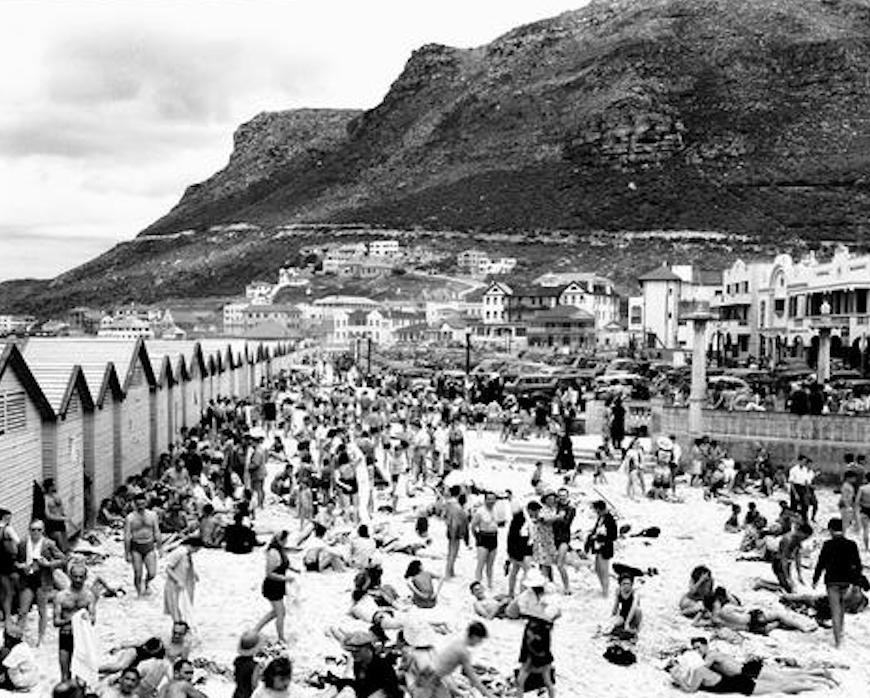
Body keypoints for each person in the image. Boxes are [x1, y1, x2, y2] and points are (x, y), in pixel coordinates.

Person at [669, 637, 838, 694]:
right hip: (747, 671)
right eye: (695, 648)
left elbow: (699, 669)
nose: (697, 650)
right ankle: (819, 675)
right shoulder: (710, 658)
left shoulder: (710, 656)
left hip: (749, 671)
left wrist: (685, 664)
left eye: (699, 647)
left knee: (783, 682)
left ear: (706, 646)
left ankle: (819, 681)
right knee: (786, 678)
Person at [812, 517, 863, 647]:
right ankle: (841, 633)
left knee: (835, 611)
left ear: (830, 530)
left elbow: (821, 563)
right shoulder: (852, 544)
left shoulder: (827, 545)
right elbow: (858, 565)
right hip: (847, 581)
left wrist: (815, 579)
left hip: (832, 581)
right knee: (842, 609)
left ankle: (837, 642)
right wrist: (857, 583)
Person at [16, 518, 65, 645]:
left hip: (43, 580)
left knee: (42, 610)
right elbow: (14, 561)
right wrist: (21, 566)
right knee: (23, 610)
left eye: (39, 530)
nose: (36, 532)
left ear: (43, 531)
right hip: (27, 579)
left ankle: (41, 638)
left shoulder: (49, 544)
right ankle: (18, 637)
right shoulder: (22, 543)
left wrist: (49, 564)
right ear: (29, 530)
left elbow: (63, 559)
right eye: (33, 530)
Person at [53, 562, 97, 681]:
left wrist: (86, 618)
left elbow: (93, 619)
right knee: (65, 675)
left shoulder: (89, 596)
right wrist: (72, 620)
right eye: (75, 576)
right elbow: (56, 622)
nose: (78, 580)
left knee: (82, 675)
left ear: (85, 577)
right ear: (70, 576)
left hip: (82, 638)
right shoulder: (61, 596)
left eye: (81, 577)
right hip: (66, 635)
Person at [328, 630, 402, 698]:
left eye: (357, 651)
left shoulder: (383, 666)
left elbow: (390, 691)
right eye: (352, 652)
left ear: (367, 648)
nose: (353, 655)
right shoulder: (358, 664)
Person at [253, 532, 298, 643]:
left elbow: (284, 564)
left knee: (275, 612)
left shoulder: (280, 550)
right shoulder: (273, 553)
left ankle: (255, 630)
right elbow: (269, 573)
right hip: (272, 586)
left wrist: (294, 570)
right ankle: (281, 638)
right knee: (281, 613)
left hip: (278, 585)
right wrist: (286, 578)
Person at [430, 623, 494, 698]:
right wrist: (489, 695)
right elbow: (473, 678)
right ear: (474, 637)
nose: (479, 643)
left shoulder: (458, 642)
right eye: (479, 640)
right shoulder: (463, 652)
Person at [125, 492, 163, 597]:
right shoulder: (130, 518)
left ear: (146, 503)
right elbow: (127, 536)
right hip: (136, 547)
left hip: (149, 545)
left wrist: (160, 547)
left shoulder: (152, 515)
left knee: (152, 573)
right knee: (138, 574)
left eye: (143, 504)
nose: (141, 507)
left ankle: (146, 583)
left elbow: (157, 531)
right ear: (135, 504)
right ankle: (139, 593)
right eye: (138, 504)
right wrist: (127, 553)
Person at [163, 537, 203, 624]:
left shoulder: (186, 554)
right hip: (174, 585)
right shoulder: (179, 552)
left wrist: (194, 574)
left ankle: (182, 625)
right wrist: (177, 580)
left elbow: (187, 565)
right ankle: (178, 626)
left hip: (183, 584)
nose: (196, 552)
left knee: (183, 606)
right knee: (176, 607)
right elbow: (168, 568)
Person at [586, 500, 617, 597]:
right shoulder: (601, 518)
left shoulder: (610, 519)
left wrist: (598, 538)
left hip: (605, 547)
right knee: (598, 569)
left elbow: (613, 536)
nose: (596, 512)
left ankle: (605, 591)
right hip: (599, 546)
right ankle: (604, 588)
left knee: (603, 570)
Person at [771, 522, 812, 593]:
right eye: (805, 537)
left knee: (788, 586)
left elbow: (798, 557)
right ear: (800, 532)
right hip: (779, 563)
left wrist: (799, 575)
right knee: (787, 587)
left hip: (787, 563)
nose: (805, 539)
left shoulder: (798, 539)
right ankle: (763, 584)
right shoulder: (788, 539)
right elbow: (783, 559)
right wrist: (787, 577)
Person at [471, 492, 499, 590]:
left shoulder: (496, 510)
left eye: (493, 499)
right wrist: (476, 537)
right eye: (489, 499)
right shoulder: (480, 512)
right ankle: (478, 583)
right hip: (483, 537)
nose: (491, 501)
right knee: (481, 563)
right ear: (485, 500)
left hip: (494, 537)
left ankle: (490, 583)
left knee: (491, 564)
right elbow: (473, 526)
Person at [0, 626, 39, 691]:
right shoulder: (23, 646)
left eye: (5, 638)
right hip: (31, 679)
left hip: (23, 681)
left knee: (6, 664)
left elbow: (4, 666)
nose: (4, 641)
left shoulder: (17, 650)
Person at [0, 508, 21, 626]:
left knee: (3, 590)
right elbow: (18, 542)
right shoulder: (7, 529)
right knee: (9, 591)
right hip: (7, 563)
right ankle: (8, 616)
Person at [506, 503, 532, 598]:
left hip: (515, 549)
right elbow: (518, 537)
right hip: (519, 550)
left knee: (515, 571)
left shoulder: (518, 519)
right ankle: (521, 593)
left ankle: (511, 592)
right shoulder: (522, 520)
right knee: (526, 571)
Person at [442, 486, 468, 579]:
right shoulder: (456, 506)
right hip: (455, 529)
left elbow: (444, 516)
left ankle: (451, 571)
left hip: (449, 527)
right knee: (454, 552)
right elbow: (456, 520)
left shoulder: (448, 503)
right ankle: (448, 572)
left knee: (450, 551)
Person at [553, 488, 575, 595]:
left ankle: (567, 587)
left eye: (564, 495)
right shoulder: (555, 507)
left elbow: (566, 523)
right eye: (560, 495)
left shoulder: (570, 509)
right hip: (552, 538)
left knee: (560, 564)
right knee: (547, 563)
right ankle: (551, 583)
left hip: (564, 538)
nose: (562, 497)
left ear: (567, 496)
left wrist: (557, 518)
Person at [232, 630, 263, 698]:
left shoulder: (237, 661)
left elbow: (235, 676)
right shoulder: (255, 665)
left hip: (237, 693)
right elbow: (254, 685)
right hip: (248, 694)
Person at [43, 478, 70, 552]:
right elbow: (47, 514)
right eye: (53, 485)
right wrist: (59, 518)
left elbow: (62, 508)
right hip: (52, 522)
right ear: (49, 487)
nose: (55, 486)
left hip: (60, 520)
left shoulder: (56, 496)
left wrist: (63, 515)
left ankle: (66, 550)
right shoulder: (46, 498)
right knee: (58, 537)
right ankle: (61, 551)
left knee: (64, 535)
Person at [857, 471, 870, 551]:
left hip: (865, 509)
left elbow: (857, 501)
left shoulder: (862, 488)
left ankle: (866, 547)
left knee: (865, 529)